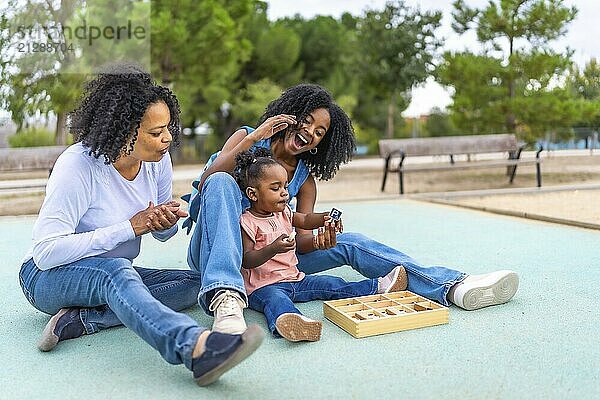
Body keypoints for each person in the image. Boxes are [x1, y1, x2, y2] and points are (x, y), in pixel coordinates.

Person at [183, 83, 519, 334]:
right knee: (223, 181)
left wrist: (320, 239)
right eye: (308, 121)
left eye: (320, 132)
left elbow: (298, 242)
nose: (311, 133)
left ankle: (451, 286)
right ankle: (226, 297)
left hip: (272, 263)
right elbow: (207, 181)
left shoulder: (304, 179)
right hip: (217, 256)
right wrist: (255, 135)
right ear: (290, 114)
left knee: (351, 241)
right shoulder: (248, 138)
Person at [18, 64, 264, 386]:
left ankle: (84, 320)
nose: (167, 139)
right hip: (46, 277)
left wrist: (163, 220)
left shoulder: (158, 161)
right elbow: (46, 252)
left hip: (110, 272)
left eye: (168, 128)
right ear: (122, 130)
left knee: (195, 284)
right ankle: (196, 349)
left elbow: (164, 234)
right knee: (117, 271)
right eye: (155, 132)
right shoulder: (78, 165)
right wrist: (130, 227)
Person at [234, 148, 407, 341]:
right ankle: (292, 322)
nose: (284, 193)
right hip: (263, 287)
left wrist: (324, 218)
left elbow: (306, 220)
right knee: (276, 301)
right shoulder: (247, 222)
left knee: (331, 284)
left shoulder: (283, 213)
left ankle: (377, 287)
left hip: (295, 279)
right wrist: (272, 248)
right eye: (275, 188)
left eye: (285, 187)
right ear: (253, 194)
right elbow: (247, 259)